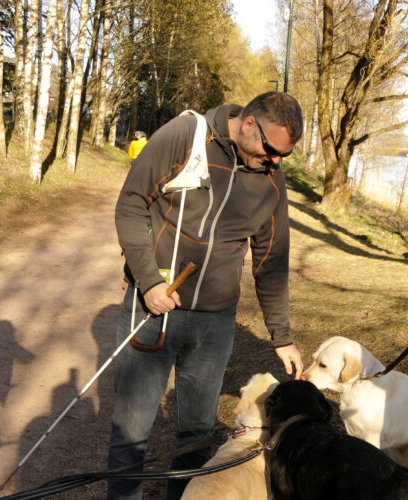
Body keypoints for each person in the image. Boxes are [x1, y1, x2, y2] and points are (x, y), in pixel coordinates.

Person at [110, 91, 305, 500]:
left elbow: (270, 260)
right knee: (131, 433)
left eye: (283, 156)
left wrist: (282, 335)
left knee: (196, 439)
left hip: (215, 325)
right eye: (271, 149)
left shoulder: (272, 177)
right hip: (154, 310)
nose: (275, 161)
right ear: (248, 123)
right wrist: (149, 281)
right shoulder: (187, 135)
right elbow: (130, 204)